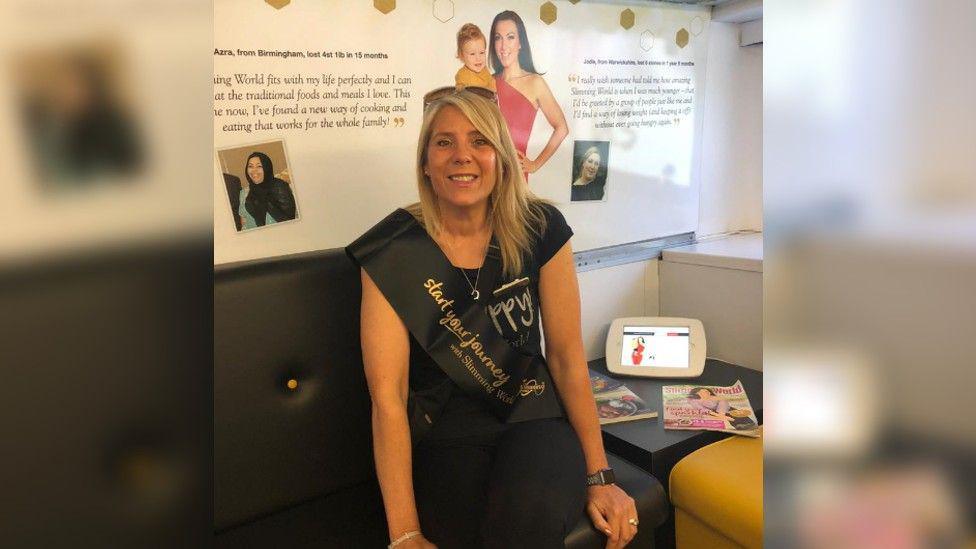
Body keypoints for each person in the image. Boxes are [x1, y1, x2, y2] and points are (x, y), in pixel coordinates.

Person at [346, 88, 638, 549]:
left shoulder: (541, 227)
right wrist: (405, 533)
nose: (462, 156)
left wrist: (600, 475)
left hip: (534, 417)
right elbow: (388, 397)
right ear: (425, 161)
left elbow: (565, 357)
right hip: (445, 435)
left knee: (525, 520)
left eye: (480, 141)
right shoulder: (392, 253)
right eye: (444, 142)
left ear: (501, 157)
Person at [488, 10, 568, 179]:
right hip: (486, 173)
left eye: (510, 37)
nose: (503, 46)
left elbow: (562, 128)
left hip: (515, 178)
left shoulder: (535, 83)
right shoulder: (487, 82)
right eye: (497, 38)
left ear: (520, 42)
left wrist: (535, 164)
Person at [242, 152, 296, 226]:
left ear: (267, 168)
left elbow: (290, 221)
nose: (254, 170)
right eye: (250, 166)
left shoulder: (279, 186)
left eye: (259, 166)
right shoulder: (250, 190)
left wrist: (266, 201)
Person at [454, 23, 496, 92]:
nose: (478, 58)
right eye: (472, 54)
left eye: (482, 53)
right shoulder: (462, 76)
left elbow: (493, 85)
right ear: (461, 56)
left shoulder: (484, 70)